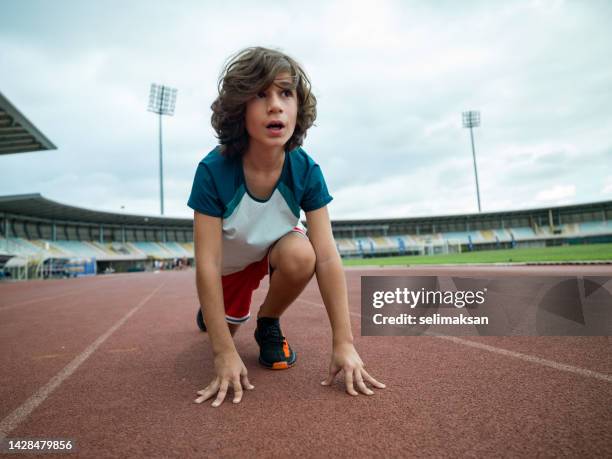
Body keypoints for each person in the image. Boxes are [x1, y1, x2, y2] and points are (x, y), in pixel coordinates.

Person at [187, 46, 385, 407]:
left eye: (285, 93)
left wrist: (344, 343)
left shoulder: (305, 169)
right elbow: (207, 264)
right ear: (239, 108)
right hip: (229, 268)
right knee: (221, 334)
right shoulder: (212, 172)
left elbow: (326, 257)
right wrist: (223, 352)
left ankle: (268, 321)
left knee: (302, 253)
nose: (275, 105)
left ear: (298, 106)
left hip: (273, 251)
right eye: (260, 94)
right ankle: (213, 313)